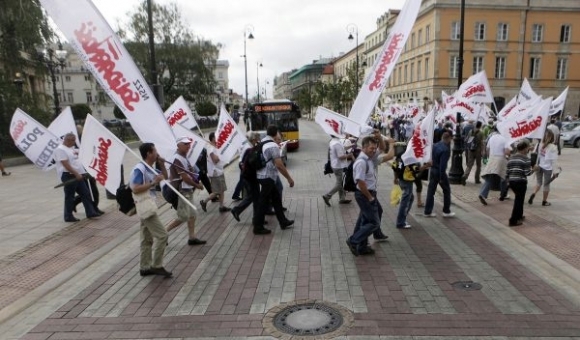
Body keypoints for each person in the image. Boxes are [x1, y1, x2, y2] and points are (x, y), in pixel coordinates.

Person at [345, 134, 396, 256]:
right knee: (374, 223)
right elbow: (360, 182)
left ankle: (362, 247)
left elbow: (383, 149)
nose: (374, 150)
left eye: (374, 148)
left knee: (365, 219)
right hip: (365, 195)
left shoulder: (369, 158)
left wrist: (379, 137)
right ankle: (353, 240)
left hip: (368, 194)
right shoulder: (362, 162)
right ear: (363, 148)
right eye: (371, 148)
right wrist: (370, 197)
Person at [130, 142, 172, 278]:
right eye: (155, 150)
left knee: (146, 238)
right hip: (145, 207)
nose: (156, 153)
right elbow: (135, 188)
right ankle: (157, 265)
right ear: (148, 153)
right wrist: (153, 182)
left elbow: (164, 177)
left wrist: (162, 164)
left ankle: (145, 267)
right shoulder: (140, 169)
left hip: (148, 205)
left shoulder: (150, 167)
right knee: (162, 235)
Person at [253, 125, 295, 235]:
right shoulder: (272, 145)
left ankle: (283, 221)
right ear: (275, 133)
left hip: (263, 175)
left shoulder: (263, 141)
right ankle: (257, 227)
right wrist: (289, 178)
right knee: (263, 202)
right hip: (268, 177)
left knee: (276, 199)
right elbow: (279, 165)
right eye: (278, 133)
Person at [165, 137, 207, 246]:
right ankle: (163, 233)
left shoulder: (184, 157)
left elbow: (191, 172)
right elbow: (185, 177)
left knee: (192, 214)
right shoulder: (177, 158)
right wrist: (197, 185)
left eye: (189, 144)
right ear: (178, 145)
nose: (188, 146)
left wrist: (197, 180)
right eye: (185, 144)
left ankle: (192, 238)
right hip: (182, 190)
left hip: (187, 190)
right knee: (183, 216)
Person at [53, 133, 101, 222]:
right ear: (67, 140)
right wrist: (76, 173)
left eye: (74, 140)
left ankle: (90, 212)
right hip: (69, 175)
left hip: (78, 174)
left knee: (85, 193)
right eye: (73, 140)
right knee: (70, 196)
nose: (74, 142)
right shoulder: (60, 150)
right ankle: (68, 216)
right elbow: (65, 164)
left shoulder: (70, 148)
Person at [423, 132, 455, 218]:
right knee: (446, 190)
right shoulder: (445, 149)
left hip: (432, 169)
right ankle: (446, 211)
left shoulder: (435, 145)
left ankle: (427, 211)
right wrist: (441, 177)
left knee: (431, 191)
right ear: (448, 139)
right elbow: (443, 165)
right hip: (439, 172)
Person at [231, 131, 262, 222]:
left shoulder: (249, 146)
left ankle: (256, 218)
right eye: (257, 137)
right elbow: (244, 162)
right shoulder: (249, 148)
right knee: (253, 196)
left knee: (255, 197)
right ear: (253, 139)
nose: (258, 139)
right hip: (250, 176)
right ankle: (237, 210)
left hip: (249, 175)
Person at [393, 157, 431, 229]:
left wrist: (395, 178)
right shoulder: (410, 157)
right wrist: (426, 165)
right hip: (407, 180)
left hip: (402, 180)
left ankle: (402, 219)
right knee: (406, 200)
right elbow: (416, 169)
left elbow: (395, 166)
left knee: (410, 198)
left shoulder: (401, 154)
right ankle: (400, 222)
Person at [478, 125, 511, 205]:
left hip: (492, 158)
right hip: (501, 159)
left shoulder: (492, 137)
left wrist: (490, 157)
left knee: (489, 178)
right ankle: (503, 194)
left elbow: (487, 149)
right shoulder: (504, 138)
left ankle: (482, 194)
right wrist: (508, 156)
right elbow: (507, 151)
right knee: (503, 177)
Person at [506, 140, 536, 226]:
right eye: (527, 148)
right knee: (519, 201)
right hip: (521, 182)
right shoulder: (526, 159)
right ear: (524, 149)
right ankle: (513, 220)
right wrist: (534, 169)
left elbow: (507, 171)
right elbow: (527, 173)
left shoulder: (511, 157)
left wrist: (508, 181)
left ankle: (519, 216)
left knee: (519, 199)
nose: (528, 150)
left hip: (512, 181)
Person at [200, 132, 231, 213]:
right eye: (216, 137)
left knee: (222, 189)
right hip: (215, 172)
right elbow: (215, 160)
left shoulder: (214, 147)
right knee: (217, 191)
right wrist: (221, 155)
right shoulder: (211, 148)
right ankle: (204, 202)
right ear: (213, 138)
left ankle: (221, 207)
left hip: (219, 171)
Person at [528, 129, 558, 206]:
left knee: (538, 182)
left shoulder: (539, 144)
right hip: (548, 168)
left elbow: (534, 154)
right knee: (546, 184)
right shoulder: (553, 147)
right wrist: (555, 172)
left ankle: (534, 193)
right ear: (552, 137)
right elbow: (554, 160)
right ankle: (544, 201)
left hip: (539, 166)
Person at [322, 135, 354, 206]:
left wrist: (351, 146)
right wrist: (349, 155)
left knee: (340, 182)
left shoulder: (333, 141)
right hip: (338, 166)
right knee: (339, 184)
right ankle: (327, 196)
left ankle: (342, 198)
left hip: (334, 165)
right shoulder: (337, 143)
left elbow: (342, 149)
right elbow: (341, 157)